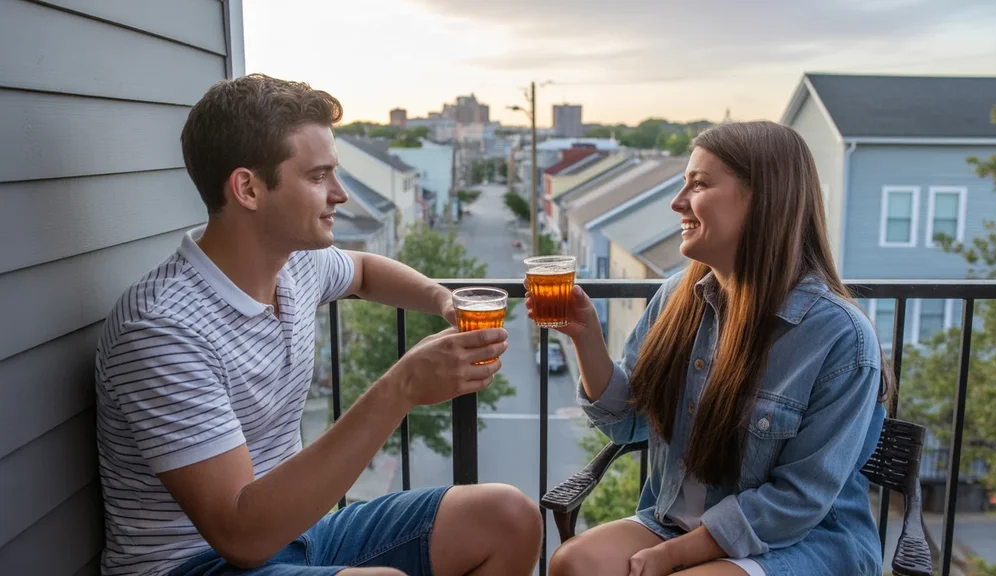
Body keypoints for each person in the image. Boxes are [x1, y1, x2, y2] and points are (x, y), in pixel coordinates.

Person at [94, 74, 542, 576]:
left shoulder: (294, 264)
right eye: (317, 176)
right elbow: (241, 536)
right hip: (192, 563)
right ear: (248, 188)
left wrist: (442, 300)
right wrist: (403, 386)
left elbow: (367, 272)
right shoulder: (162, 330)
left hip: (297, 534)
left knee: (509, 517)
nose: (341, 194)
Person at [533, 121, 891, 576]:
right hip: (673, 522)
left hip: (802, 542)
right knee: (573, 563)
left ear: (763, 199)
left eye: (698, 184)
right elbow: (627, 424)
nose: (677, 202)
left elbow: (798, 501)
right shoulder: (675, 299)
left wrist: (674, 557)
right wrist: (585, 335)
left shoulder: (839, 338)